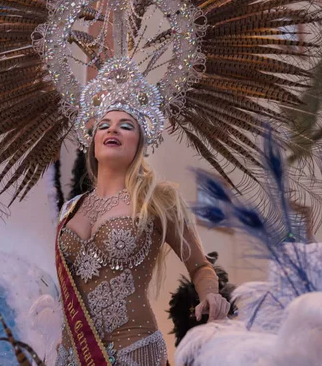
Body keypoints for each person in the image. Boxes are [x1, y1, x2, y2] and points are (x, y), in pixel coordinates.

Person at [56, 110, 229, 366]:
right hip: (72, 356)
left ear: (140, 145)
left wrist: (211, 294)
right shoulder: (69, 210)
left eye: (125, 126)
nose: (112, 130)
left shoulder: (157, 201)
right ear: (93, 144)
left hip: (133, 351)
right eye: (104, 125)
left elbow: (200, 266)